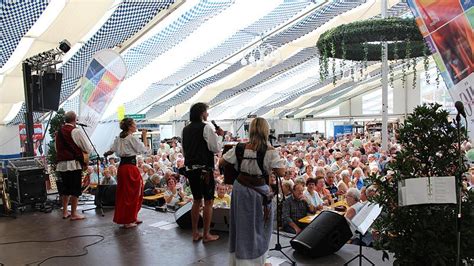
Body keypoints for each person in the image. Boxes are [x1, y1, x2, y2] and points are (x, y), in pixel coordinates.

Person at [219, 117, 285, 266]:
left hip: (240, 189)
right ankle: (256, 262)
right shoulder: (270, 151)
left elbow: (221, 162)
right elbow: (281, 172)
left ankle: (239, 261)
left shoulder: (240, 148)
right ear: (266, 131)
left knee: (241, 225)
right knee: (260, 225)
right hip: (258, 192)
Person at [182, 102, 224, 242]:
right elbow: (215, 148)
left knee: (196, 200)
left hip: (190, 169)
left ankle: (195, 233)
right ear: (201, 113)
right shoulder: (206, 127)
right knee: (208, 201)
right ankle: (206, 234)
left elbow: (185, 150)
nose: (208, 114)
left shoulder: (185, 129)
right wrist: (220, 136)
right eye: (206, 112)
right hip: (204, 170)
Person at [107, 118, 149, 229]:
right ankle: (128, 220)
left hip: (122, 168)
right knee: (132, 194)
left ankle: (132, 217)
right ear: (130, 127)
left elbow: (112, 149)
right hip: (130, 168)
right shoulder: (131, 138)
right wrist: (144, 136)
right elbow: (144, 150)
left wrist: (107, 153)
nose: (136, 126)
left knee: (127, 193)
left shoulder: (119, 138)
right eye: (135, 124)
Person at [55, 111, 93, 220]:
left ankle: (65, 212)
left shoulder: (59, 132)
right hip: (73, 164)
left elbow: (57, 149)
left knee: (66, 189)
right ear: (75, 119)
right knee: (75, 189)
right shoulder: (75, 131)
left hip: (61, 164)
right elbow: (87, 148)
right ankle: (74, 214)